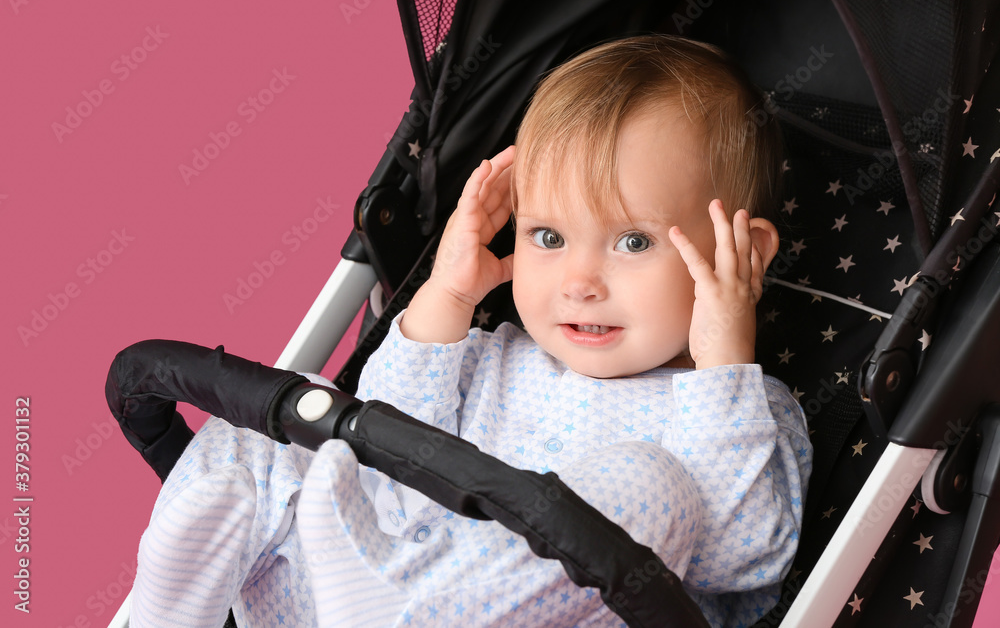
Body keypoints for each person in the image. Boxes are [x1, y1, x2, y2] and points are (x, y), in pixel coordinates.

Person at [129, 35, 810, 628]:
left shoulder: (738, 411)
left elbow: (741, 557)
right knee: (290, 413)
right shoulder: (491, 355)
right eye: (549, 235)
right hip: (328, 594)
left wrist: (724, 359)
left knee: (651, 486)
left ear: (740, 251)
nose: (579, 280)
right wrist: (448, 295)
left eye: (632, 241)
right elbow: (381, 437)